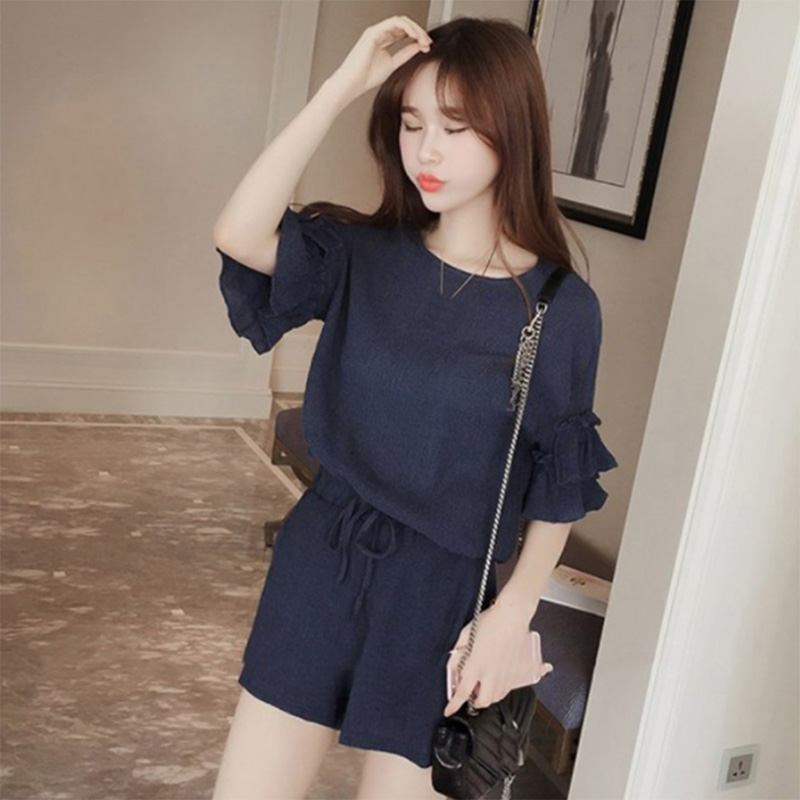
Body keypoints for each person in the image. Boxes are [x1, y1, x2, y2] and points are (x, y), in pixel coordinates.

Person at [211, 15, 618, 800]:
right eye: (411, 122)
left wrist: (511, 614)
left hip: (441, 598)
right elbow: (239, 232)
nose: (427, 150)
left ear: (513, 133)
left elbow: (558, 481)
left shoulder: (561, 308)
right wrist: (342, 85)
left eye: (456, 128)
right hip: (321, 561)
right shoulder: (362, 256)